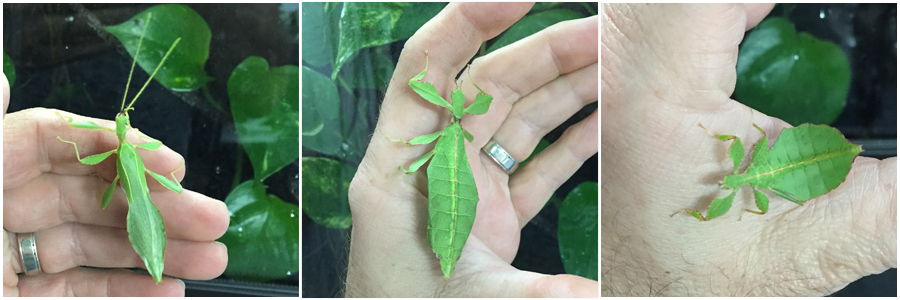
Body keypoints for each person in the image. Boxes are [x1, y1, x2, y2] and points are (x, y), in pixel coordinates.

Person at [601, 3, 896, 296]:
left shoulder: (747, 191)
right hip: (796, 156)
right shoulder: (748, 173)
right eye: (724, 182)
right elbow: (744, 155)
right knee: (787, 180)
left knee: (789, 190)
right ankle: (843, 151)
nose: (723, 181)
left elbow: (757, 202)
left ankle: (843, 151)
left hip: (802, 166)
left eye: (723, 181)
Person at [345, 3, 598, 297]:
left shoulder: (450, 128)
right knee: (448, 195)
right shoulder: (461, 129)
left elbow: (417, 84)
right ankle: (447, 254)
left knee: (440, 185)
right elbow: (441, 91)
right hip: (453, 168)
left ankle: (449, 255)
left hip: (450, 167)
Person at [2, 71, 230, 296]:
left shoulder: (125, 146)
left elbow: (83, 159)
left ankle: (155, 265)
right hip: (138, 206)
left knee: (149, 186)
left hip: (142, 204)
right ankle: (153, 265)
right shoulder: (129, 146)